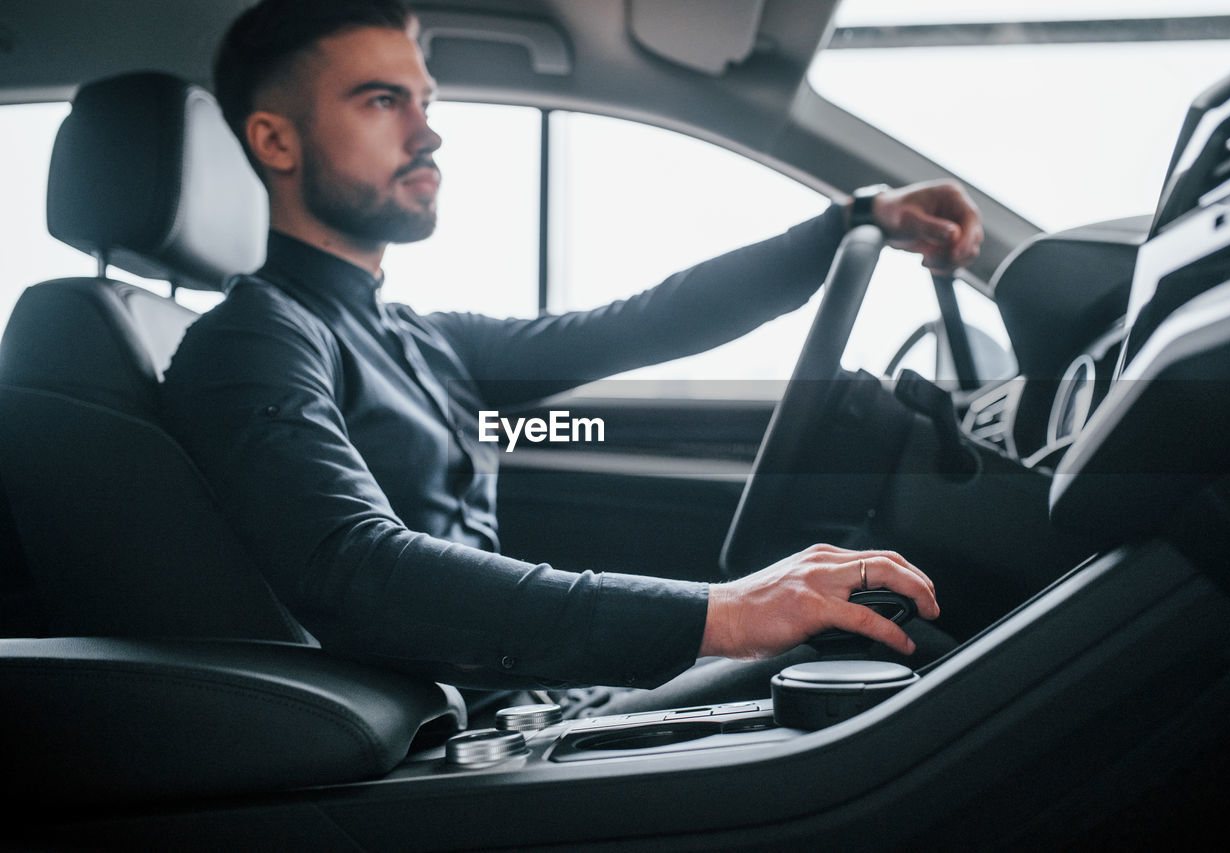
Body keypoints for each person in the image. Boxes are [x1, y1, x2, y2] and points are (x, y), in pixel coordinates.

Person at [159, 0, 982, 708]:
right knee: (868, 652)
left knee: (878, 641)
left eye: (425, 99)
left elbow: (639, 324)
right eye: (383, 102)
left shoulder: (415, 334)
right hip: (452, 742)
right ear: (275, 141)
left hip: (533, 703)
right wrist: (722, 613)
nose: (430, 131)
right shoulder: (253, 339)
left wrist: (853, 218)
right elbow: (353, 569)